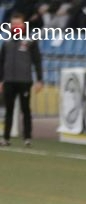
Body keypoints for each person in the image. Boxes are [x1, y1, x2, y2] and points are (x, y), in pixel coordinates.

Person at [0, 13, 44, 147]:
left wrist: (39, 79)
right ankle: (6, 137)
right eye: (13, 24)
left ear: (23, 24)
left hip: (24, 80)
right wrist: (1, 80)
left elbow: (37, 61)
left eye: (18, 24)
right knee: (9, 110)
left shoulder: (30, 40)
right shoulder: (6, 41)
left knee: (25, 109)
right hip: (9, 80)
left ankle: (27, 137)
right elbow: (1, 62)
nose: (15, 26)